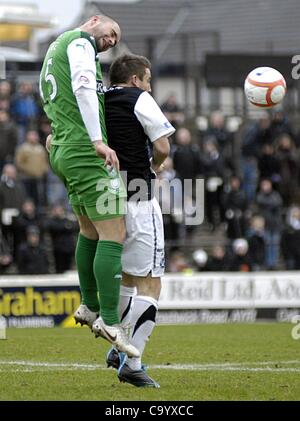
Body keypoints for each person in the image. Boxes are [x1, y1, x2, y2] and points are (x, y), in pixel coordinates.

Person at [40, 15, 139, 358]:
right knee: (114, 232)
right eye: (112, 32)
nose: (112, 41)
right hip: (85, 151)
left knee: (90, 231)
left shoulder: (55, 47)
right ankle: (111, 321)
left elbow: (53, 95)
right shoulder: (80, 42)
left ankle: (88, 306)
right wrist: (97, 140)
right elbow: (82, 87)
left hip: (65, 149)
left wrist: (58, 133)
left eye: (116, 40)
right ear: (94, 20)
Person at [104, 54, 175, 387]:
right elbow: (162, 145)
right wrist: (154, 165)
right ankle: (133, 361)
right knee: (150, 281)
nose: (149, 85)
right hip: (138, 196)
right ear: (135, 80)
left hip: (107, 197)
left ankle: (118, 347)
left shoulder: (100, 99)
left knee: (128, 278)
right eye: (147, 79)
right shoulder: (140, 98)